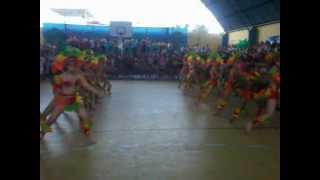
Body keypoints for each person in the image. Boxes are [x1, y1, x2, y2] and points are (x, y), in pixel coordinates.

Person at [40, 48, 104, 141]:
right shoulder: (60, 76)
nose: (72, 64)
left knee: (85, 117)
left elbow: (86, 85)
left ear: (76, 64)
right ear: (65, 64)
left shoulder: (79, 75)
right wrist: (57, 96)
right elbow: (56, 90)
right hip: (62, 100)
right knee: (52, 120)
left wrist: (96, 92)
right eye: (69, 62)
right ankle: (42, 133)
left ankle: (87, 134)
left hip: (75, 100)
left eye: (74, 62)